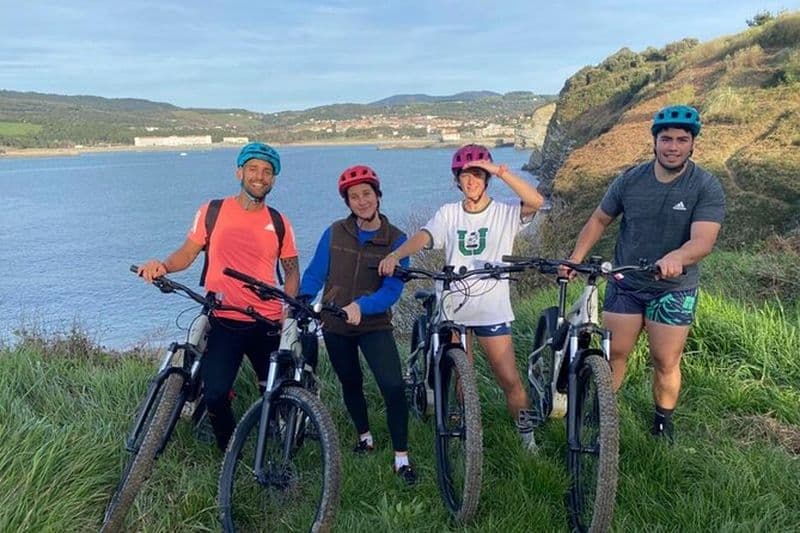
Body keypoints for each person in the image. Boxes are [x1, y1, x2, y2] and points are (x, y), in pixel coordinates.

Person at [561, 105, 725, 442]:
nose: (673, 146)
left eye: (682, 139)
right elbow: (599, 220)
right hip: (626, 282)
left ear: (693, 144)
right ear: (655, 141)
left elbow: (703, 240)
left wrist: (678, 256)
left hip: (674, 287)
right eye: (666, 139)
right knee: (615, 353)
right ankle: (604, 413)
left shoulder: (705, 186)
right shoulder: (630, 180)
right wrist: (575, 258)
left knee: (665, 360)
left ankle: (663, 422)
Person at [378, 144, 545, 452]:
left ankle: (528, 441)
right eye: (466, 176)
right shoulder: (449, 213)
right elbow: (426, 236)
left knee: (509, 379)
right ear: (457, 180)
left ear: (487, 178)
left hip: (492, 309)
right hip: (454, 308)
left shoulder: (505, 211)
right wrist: (397, 254)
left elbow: (536, 200)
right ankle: (468, 430)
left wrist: (501, 172)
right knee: (461, 378)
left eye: (479, 175)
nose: (472, 182)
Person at [138, 142, 299, 450]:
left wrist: (287, 311)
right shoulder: (212, 211)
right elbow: (187, 254)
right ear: (239, 172)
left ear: (273, 179)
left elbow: (291, 271)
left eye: (267, 172)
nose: (259, 176)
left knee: (275, 391)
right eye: (253, 169)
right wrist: (163, 266)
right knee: (214, 393)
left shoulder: (280, 223)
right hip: (225, 317)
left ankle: (276, 436)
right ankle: (230, 451)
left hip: (266, 320)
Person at [299, 164, 417, 485]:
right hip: (335, 323)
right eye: (354, 196)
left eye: (367, 194)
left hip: (374, 324)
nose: (361, 201)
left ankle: (401, 457)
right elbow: (314, 273)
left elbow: (392, 291)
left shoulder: (397, 240)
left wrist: (361, 307)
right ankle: (364, 437)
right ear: (348, 202)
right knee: (350, 382)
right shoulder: (335, 231)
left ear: (378, 196)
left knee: (392, 386)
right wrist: (301, 301)